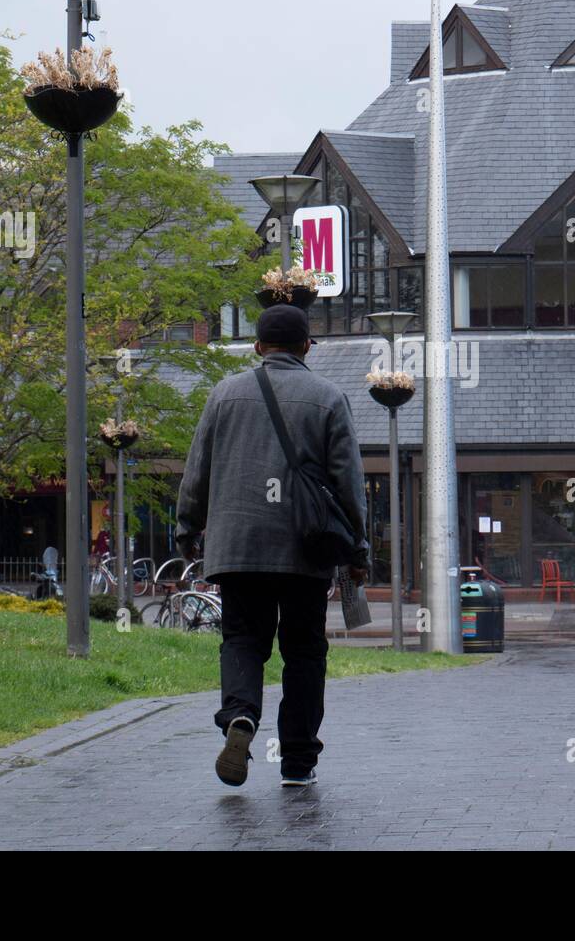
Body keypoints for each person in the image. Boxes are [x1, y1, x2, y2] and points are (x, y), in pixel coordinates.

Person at [176, 305, 369, 790]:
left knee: (242, 638)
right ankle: (298, 761)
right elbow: (349, 483)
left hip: (237, 545)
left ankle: (240, 716)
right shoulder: (327, 398)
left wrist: (187, 527)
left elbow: (197, 471)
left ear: (258, 346)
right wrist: (358, 548)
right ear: (308, 347)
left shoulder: (223, 394)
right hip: (306, 548)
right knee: (304, 651)